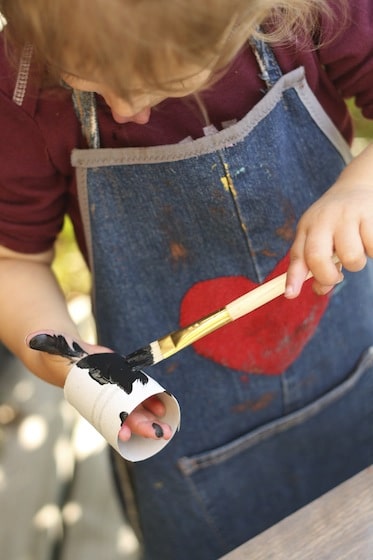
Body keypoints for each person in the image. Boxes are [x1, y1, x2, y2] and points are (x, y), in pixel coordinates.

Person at [0, 0, 373, 557]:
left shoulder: (314, 12)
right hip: (188, 443)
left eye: (167, 83)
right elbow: (14, 262)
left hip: (353, 370)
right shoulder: (21, 94)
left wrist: (360, 188)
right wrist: (70, 365)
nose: (126, 111)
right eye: (83, 78)